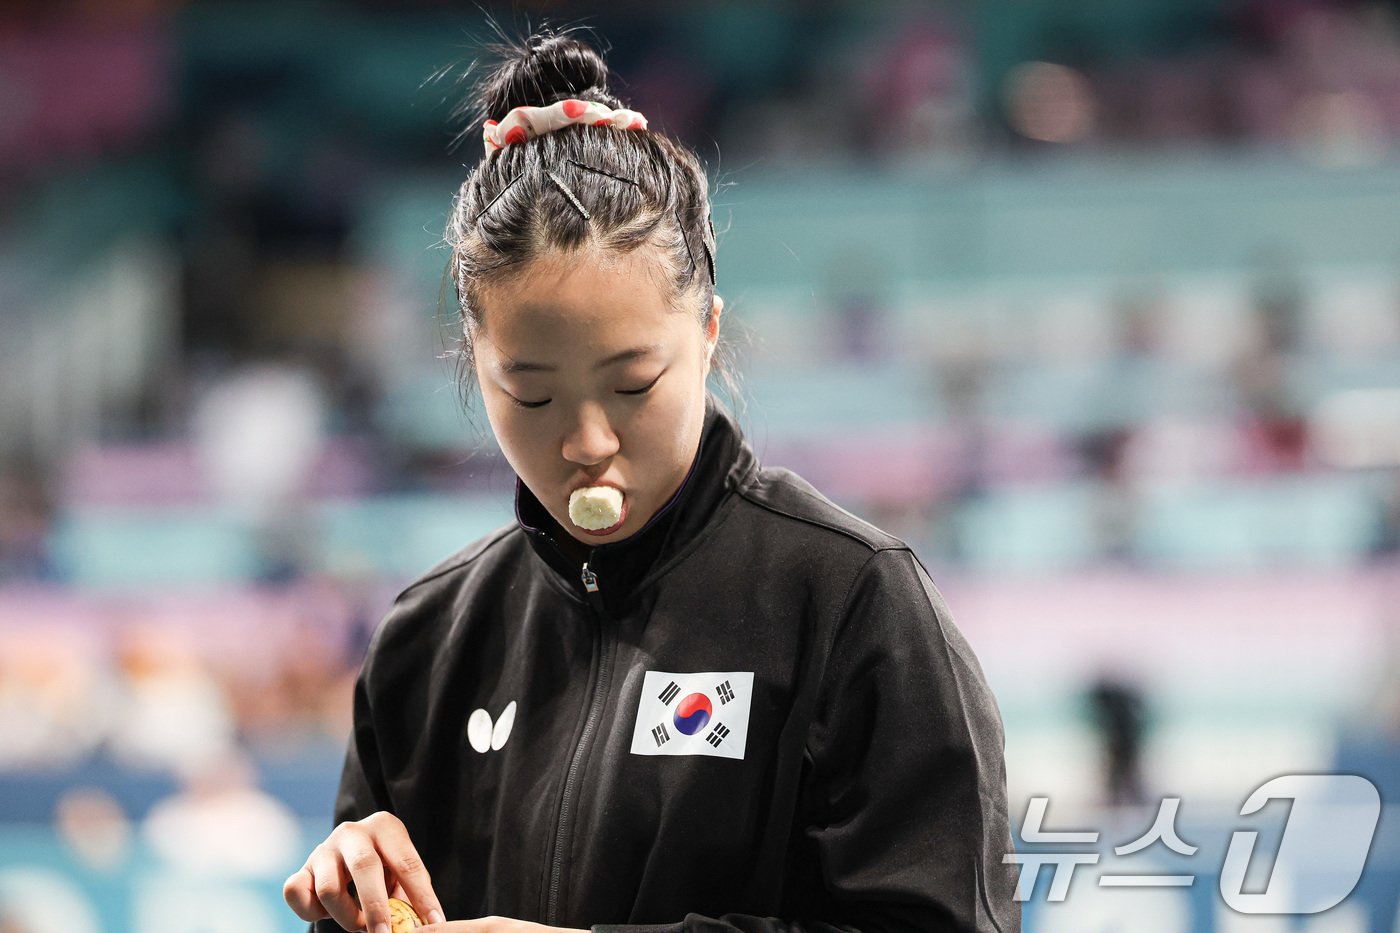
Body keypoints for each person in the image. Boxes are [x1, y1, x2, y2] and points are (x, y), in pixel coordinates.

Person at [284, 30, 1019, 933]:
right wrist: (347, 903)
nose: (587, 440)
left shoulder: (850, 603)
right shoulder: (427, 644)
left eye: (634, 384)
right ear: (473, 364)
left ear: (708, 332)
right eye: (532, 392)